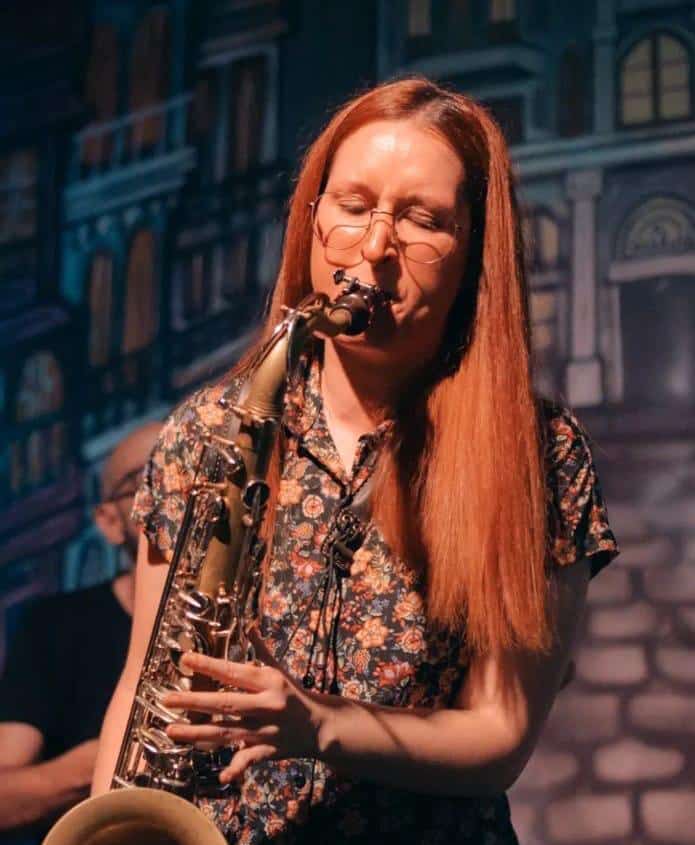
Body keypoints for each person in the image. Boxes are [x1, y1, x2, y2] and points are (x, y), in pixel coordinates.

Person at [92, 77, 620, 844]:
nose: (374, 248)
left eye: (421, 220)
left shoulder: (539, 450)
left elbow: (500, 734)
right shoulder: (209, 429)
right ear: (312, 219)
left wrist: (318, 723)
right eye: (352, 206)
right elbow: (141, 688)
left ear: (474, 250)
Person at [0, 422, 161, 844]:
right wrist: (103, 762)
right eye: (146, 478)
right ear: (108, 522)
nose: (175, 492)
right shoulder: (53, 626)